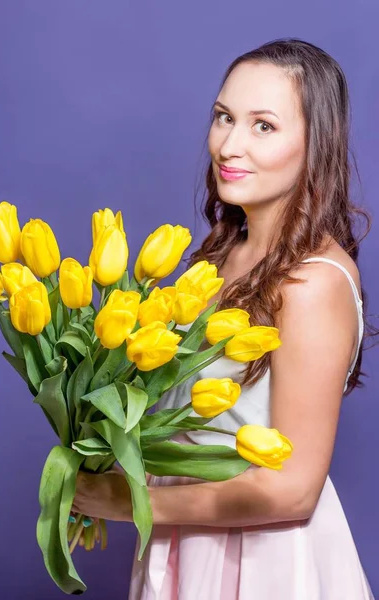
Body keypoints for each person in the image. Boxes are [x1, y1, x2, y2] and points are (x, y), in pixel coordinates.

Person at [72, 38, 376, 599]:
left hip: (263, 563)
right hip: (188, 545)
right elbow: (186, 420)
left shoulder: (312, 284)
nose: (229, 145)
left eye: (264, 126)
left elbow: (291, 491)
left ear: (316, 143)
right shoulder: (217, 259)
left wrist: (127, 503)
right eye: (223, 117)